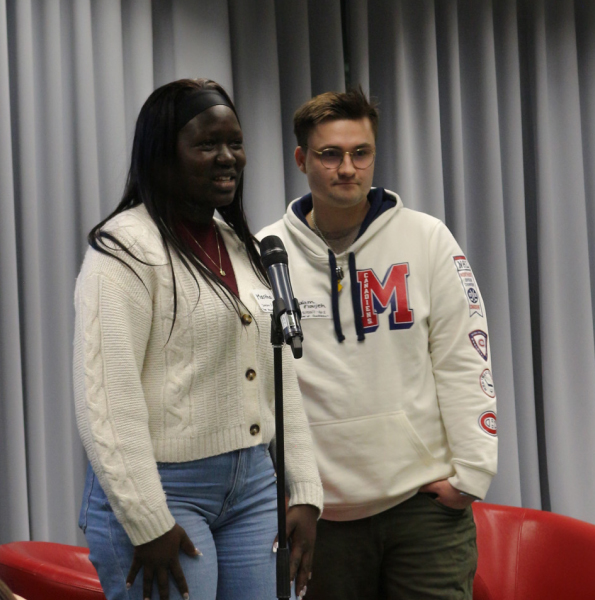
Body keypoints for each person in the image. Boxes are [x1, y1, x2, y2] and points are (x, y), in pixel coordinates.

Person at [73, 79, 323, 600]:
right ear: (163, 155)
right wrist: (146, 519)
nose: (228, 157)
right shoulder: (123, 249)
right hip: (163, 489)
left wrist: (303, 490)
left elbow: (278, 377)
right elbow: (107, 400)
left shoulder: (244, 246)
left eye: (235, 143)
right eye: (207, 144)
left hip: (254, 486)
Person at [257, 88, 498, 599]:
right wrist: (283, 490)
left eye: (360, 153)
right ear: (301, 159)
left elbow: (464, 355)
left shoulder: (427, 238)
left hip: (422, 509)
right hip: (320, 515)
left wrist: (472, 473)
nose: (347, 168)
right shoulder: (267, 254)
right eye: (330, 154)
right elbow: (257, 386)